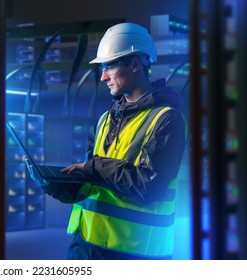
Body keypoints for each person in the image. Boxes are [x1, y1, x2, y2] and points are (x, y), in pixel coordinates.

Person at [25, 22, 187, 260]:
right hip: (85, 246)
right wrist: (54, 183)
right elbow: (92, 183)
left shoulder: (167, 119)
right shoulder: (105, 119)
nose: (103, 77)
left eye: (109, 67)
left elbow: (148, 187)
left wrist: (97, 165)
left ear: (134, 64)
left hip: (133, 254)